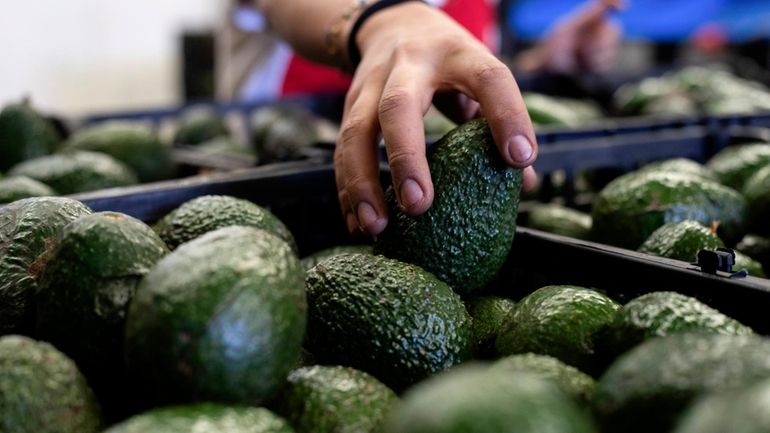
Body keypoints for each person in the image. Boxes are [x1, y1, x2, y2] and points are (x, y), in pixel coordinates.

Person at [221, 0, 620, 235]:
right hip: (271, 168)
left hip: (427, 203)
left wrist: (541, 65)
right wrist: (377, 20)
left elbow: (451, 81)